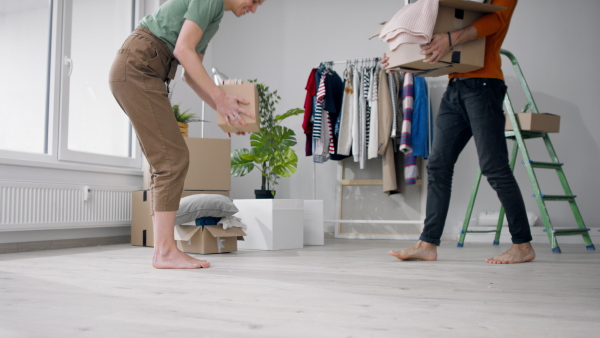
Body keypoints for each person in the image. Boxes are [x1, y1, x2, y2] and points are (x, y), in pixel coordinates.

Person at [109, 0, 265, 269]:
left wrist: (225, 110)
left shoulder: (214, 17)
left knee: (166, 161)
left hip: (143, 70)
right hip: (139, 67)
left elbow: (190, 76)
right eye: (255, 0)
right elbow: (183, 50)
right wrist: (221, 98)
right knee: (172, 159)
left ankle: (163, 251)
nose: (255, 8)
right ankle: (165, 252)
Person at [383, 0, 536, 264]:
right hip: (455, 85)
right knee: (438, 166)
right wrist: (403, 58)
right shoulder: (463, 4)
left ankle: (523, 245)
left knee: (494, 168)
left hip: (484, 86)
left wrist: (450, 39)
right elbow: (434, 37)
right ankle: (427, 243)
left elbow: (495, 21)